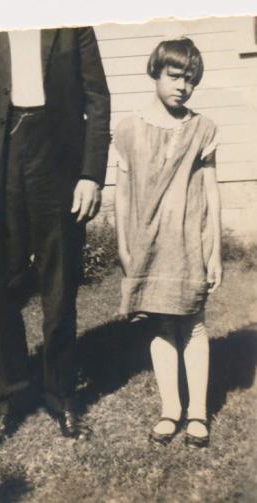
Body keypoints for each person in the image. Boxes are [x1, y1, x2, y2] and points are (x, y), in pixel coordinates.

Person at [0, 28, 111, 444]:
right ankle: (8, 400)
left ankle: (63, 396)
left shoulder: (70, 19)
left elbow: (97, 100)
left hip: (57, 160)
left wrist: (91, 174)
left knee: (60, 287)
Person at [114, 38, 222, 448]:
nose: (182, 86)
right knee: (160, 321)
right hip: (148, 241)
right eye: (174, 76)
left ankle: (197, 412)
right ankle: (170, 408)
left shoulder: (202, 129)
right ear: (155, 73)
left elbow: (212, 193)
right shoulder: (128, 128)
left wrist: (215, 250)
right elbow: (122, 193)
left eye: (190, 80)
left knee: (191, 321)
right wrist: (124, 246)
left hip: (188, 238)